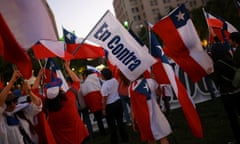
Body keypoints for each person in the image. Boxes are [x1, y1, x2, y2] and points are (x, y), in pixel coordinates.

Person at [44, 61, 89, 144]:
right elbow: (77, 81)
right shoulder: (69, 99)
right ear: (60, 91)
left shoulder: (48, 110)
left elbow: (35, 92)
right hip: (79, 137)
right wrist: (68, 68)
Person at [209, 28, 240, 144]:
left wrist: (210, 74)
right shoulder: (230, 57)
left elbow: (217, 81)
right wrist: (215, 37)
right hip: (237, 90)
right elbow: (222, 47)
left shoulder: (217, 64)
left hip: (227, 95)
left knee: (233, 119)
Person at [0, 69, 42, 144]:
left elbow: (38, 105)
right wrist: (12, 81)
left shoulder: (22, 111)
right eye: (9, 102)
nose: (13, 104)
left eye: (14, 100)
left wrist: (30, 92)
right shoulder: (2, 119)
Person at [129, 74, 172, 144]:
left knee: (150, 139)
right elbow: (159, 94)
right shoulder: (151, 81)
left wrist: (133, 121)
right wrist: (156, 81)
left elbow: (133, 105)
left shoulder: (131, 87)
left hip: (144, 117)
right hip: (156, 113)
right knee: (163, 137)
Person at [101, 68, 129, 144]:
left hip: (110, 106)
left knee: (111, 124)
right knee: (120, 121)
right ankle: (125, 138)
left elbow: (104, 99)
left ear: (103, 76)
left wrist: (103, 109)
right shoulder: (115, 81)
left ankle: (114, 140)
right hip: (118, 102)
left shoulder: (104, 85)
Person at [80, 69, 106, 136]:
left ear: (85, 75)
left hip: (94, 104)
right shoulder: (98, 78)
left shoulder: (85, 83)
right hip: (102, 100)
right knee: (107, 116)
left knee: (98, 119)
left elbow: (83, 93)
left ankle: (102, 132)